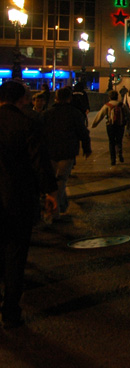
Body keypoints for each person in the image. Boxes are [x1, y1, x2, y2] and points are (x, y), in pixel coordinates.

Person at [0, 80, 57, 328]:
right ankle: (11, 311)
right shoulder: (27, 124)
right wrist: (51, 192)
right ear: (22, 100)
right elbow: (39, 162)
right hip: (17, 201)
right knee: (15, 256)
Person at [41, 86, 92, 217]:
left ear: (56, 98)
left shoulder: (47, 113)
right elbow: (83, 132)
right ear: (69, 98)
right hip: (67, 151)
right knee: (61, 180)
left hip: (50, 151)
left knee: (53, 180)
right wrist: (86, 148)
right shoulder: (75, 113)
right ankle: (56, 210)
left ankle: (61, 205)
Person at [90, 90, 128, 166]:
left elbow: (100, 115)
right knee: (119, 141)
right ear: (117, 97)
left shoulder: (107, 105)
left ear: (109, 97)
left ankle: (113, 160)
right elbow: (127, 114)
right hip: (120, 125)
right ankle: (120, 154)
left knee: (111, 142)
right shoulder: (122, 105)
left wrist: (93, 125)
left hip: (110, 125)